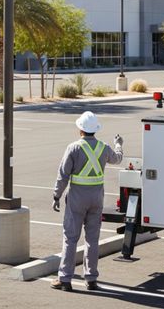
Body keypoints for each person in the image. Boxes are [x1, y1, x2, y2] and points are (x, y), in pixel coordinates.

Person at [50, 111, 123, 292]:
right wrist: (119, 145)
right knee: (92, 239)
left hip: (77, 199)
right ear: (95, 130)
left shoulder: (73, 148)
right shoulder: (104, 148)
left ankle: (65, 279)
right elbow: (117, 158)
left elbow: (63, 175)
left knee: (71, 238)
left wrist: (56, 196)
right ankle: (91, 278)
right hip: (96, 199)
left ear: (80, 129)